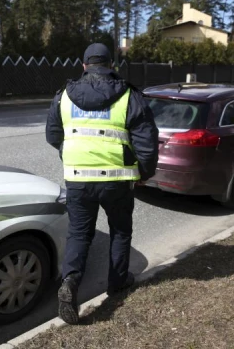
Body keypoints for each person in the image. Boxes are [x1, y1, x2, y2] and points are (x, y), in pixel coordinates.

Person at [45, 43, 159, 324]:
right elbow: (147, 143)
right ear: (111, 65)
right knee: (120, 232)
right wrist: (144, 173)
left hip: (78, 179)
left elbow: (52, 135)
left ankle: (70, 282)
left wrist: (71, 150)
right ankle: (117, 282)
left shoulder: (64, 96)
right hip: (118, 181)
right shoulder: (129, 96)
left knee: (79, 234)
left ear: (84, 65)